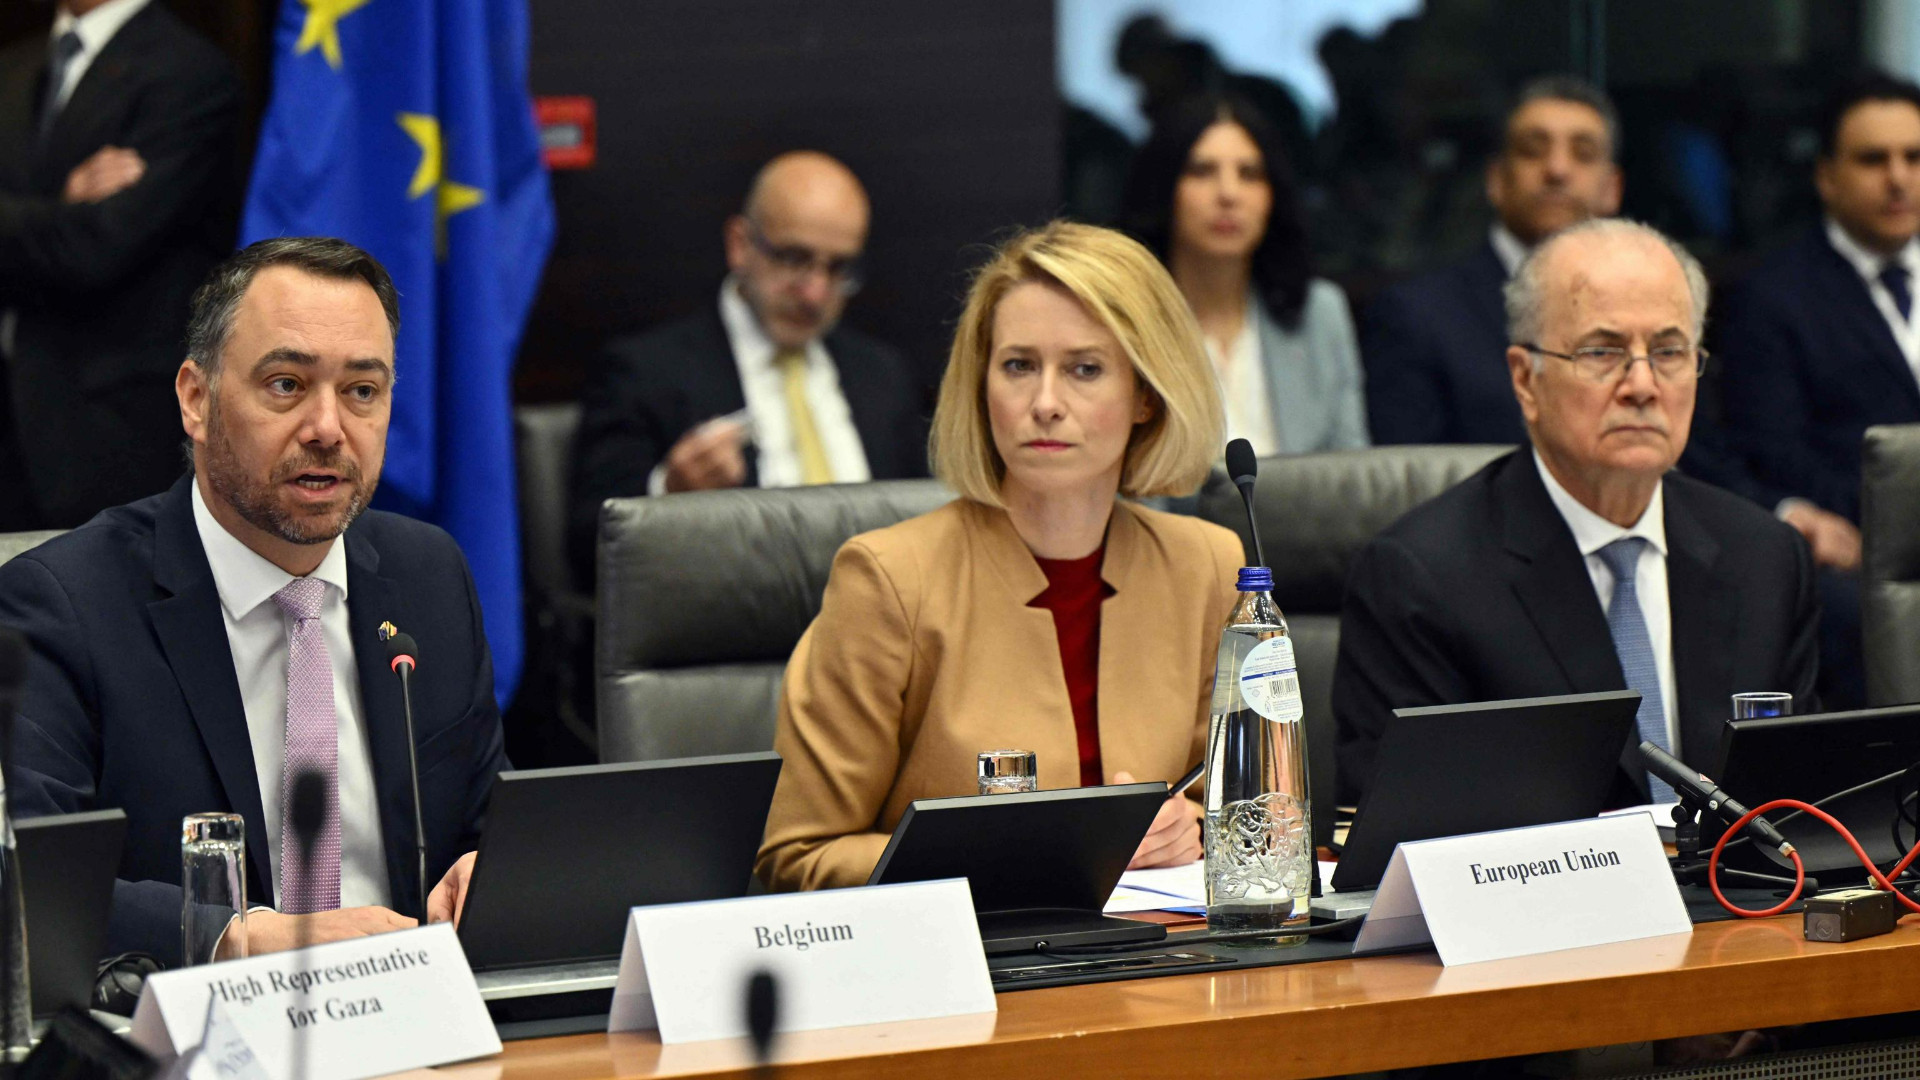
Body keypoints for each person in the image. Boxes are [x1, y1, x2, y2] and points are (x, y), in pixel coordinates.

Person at [0, 238, 506, 967]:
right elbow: (23, 879)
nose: (328, 428)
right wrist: (235, 936)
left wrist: (482, 872)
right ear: (196, 400)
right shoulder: (65, 604)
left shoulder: (428, 576)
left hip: (415, 1009)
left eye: (362, 391)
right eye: (286, 384)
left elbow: (484, 820)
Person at [756, 222, 1242, 892]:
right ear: (981, 386)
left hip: (1157, 946)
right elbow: (796, 858)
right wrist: (1017, 860)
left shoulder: (1206, 566)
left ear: (1146, 397)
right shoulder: (889, 579)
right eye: (1018, 366)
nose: (1045, 404)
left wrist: (1189, 827)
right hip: (962, 952)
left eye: (1084, 369)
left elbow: (1243, 809)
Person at [1332, 220, 1819, 808]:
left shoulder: (1766, 558)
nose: (1642, 385)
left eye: (1668, 351)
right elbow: (1405, 830)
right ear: (1525, 379)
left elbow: (1802, 805)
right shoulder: (1422, 580)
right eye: (1602, 352)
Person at [569, 150, 925, 579]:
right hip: (737, 615)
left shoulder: (883, 375)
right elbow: (586, 550)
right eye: (793, 258)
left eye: (838, 268)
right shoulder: (646, 372)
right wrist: (667, 493)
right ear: (739, 244)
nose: (814, 293)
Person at [0, 0, 243, 529]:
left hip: (104, 427)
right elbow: (65, 231)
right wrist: (61, 204)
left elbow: (97, 248)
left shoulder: (186, 70)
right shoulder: (13, 66)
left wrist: (37, 213)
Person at [1361, 76, 1621, 446]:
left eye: (1583, 153)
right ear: (1496, 180)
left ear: (1612, 188)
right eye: (1533, 150)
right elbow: (1409, 474)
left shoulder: (1652, 309)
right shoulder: (1416, 315)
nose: (1557, 169)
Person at [1122, 95, 1367, 455]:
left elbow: (1352, 472)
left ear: (1273, 195)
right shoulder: (1124, 320)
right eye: (1202, 171)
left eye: (1249, 174)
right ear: (1164, 187)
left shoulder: (1320, 313)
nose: (1228, 194)